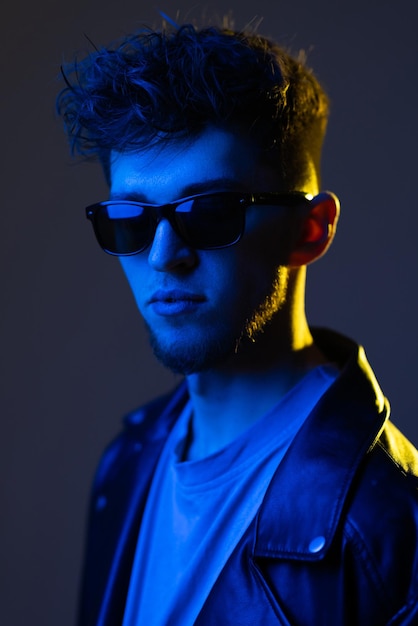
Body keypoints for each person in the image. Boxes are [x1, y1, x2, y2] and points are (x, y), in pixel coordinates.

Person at [57, 23, 418, 626]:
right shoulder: (125, 464)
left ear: (310, 230)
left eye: (209, 211)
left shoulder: (389, 528)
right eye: (129, 219)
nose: (162, 255)